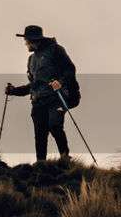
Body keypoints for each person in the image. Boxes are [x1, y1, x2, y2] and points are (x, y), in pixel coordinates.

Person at [5, 25, 77, 161]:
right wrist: (13, 91)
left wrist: (60, 81)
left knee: (55, 125)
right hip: (38, 102)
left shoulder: (56, 50)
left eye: (26, 40)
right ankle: (41, 165)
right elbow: (33, 86)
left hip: (56, 98)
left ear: (32, 40)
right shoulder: (31, 60)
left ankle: (65, 159)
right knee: (40, 134)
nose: (25, 43)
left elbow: (70, 69)